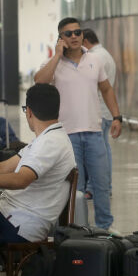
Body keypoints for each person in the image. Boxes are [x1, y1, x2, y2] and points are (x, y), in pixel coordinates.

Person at [33, 17, 121, 230]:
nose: (74, 36)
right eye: (68, 33)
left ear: (82, 35)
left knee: (101, 185)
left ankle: (104, 229)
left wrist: (117, 116)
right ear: (60, 38)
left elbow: (106, 89)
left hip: (94, 132)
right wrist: (57, 56)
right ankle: (76, 230)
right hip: (68, 135)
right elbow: (39, 80)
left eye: (77, 32)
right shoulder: (55, 64)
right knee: (75, 188)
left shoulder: (94, 60)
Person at [0, 84, 76, 243]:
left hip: (19, 225)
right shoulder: (45, 139)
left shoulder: (50, 143)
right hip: (11, 215)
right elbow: (5, 167)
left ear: (29, 112)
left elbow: (21, 180)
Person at [82, 28, 116, 197]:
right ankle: (102, 187)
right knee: (103, 151)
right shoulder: (104, 54)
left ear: (86, 41)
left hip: (99, 112)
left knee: (95, 154)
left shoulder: (96, 57)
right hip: (105, 111)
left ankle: (94, 188)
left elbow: (94, 86)